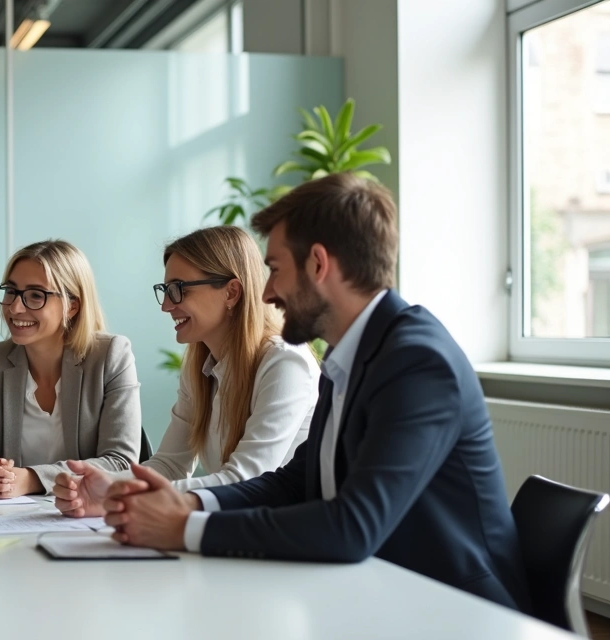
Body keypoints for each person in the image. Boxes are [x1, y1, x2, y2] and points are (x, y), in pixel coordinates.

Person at [100, 173, 531, 612]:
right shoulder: (350, 356)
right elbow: (296, 481)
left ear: (319, 264)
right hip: (379, 590)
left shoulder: (418, 362)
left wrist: (184, 528)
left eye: (274, 270)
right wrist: (185, 501)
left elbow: (353, 526)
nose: (265, 291)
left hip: (456, 609)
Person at [53, 226, 319, 517]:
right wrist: (95, 487)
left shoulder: (284, 363)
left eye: (179, 290)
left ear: (231, 292)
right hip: (238, 526)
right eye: (165, 291)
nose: (167, 305)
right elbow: (170, 465)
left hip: (283, 534)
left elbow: (245, 481)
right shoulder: (200, 367)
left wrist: (119, 494)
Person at [0, 240, 141, 497]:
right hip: (8, 519)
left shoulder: (111, 356)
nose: (15, 308)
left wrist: (31, 479)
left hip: (88, 518)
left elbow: (121, 462)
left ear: (72, 305)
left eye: (36, 295)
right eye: (11, 291)